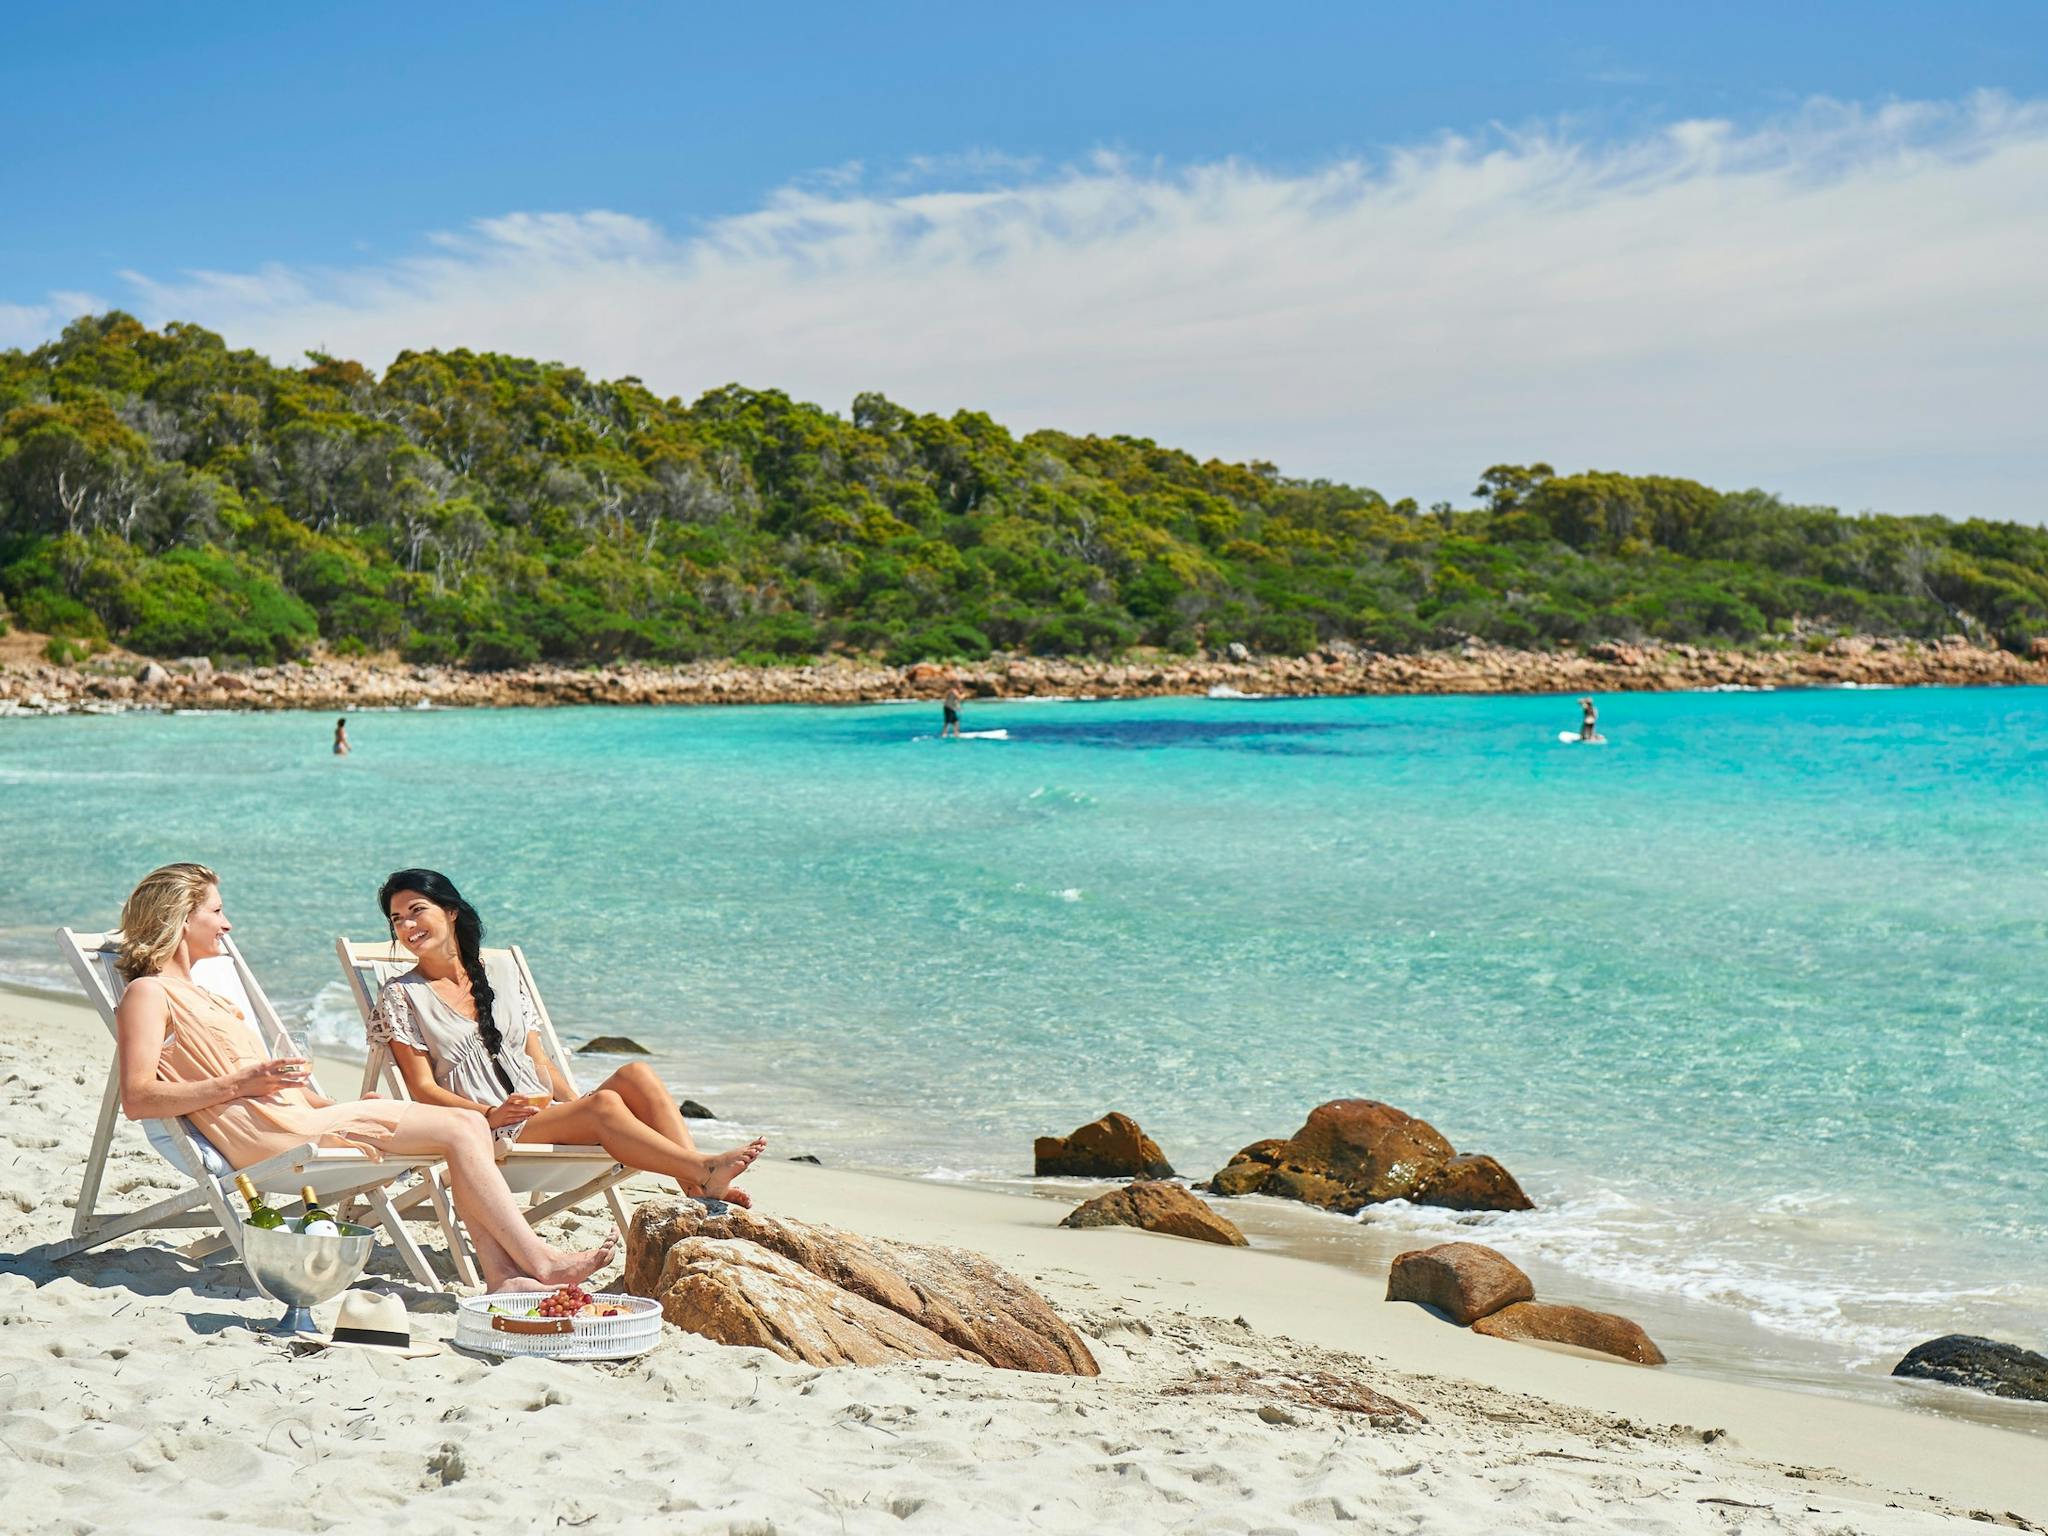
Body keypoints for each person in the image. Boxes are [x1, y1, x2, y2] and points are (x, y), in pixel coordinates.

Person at [113, 863, 615, 1293]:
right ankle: (536, 1262)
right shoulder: (149, 994)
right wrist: (240, 1084)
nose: (228, 923)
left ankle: (502, 1274)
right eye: (217, 911)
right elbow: (137, 1098)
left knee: (463, 1128)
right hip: (266, 1138)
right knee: (463, 1125)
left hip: (294, 1117)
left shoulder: (212, 997)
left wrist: (324, 1102)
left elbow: (263, 1086)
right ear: (180, 917)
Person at [370, 869, 765, 1206]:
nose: (407, 926)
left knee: (636, 1073)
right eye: (397, 919)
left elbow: (538, 1062)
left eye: (417, 910)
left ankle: (696, 1187)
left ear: (451, 911)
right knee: (605, 1104)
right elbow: (422, 1089)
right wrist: (490, 1114)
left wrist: (581, 1108)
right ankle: (703, 1169)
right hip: (485, 1126)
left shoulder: (502, 974)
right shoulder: (402, 994)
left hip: (539, 1112)